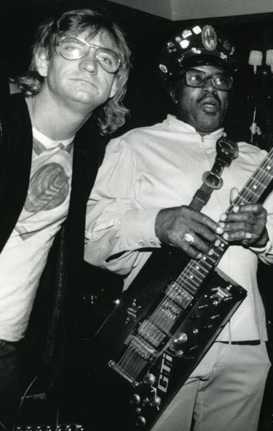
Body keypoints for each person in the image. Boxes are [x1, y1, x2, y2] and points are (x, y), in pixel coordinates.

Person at [84, 23, 273, 431]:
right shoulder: (132, 146)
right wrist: (156, 223)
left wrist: (263, 234)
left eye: (220, 80)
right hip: (158, 340)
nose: (210, 89)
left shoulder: (255, 157)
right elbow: (94, 240)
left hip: (245, 342)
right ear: (174, 89)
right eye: (196, 78)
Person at [0, 8, 131, 425]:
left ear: (114, 85)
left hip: (10, 344)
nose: (90, 63)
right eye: (73, 48)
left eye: (106, 58)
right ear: (42, 60)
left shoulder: (93, 155)